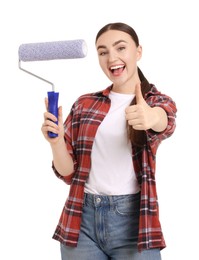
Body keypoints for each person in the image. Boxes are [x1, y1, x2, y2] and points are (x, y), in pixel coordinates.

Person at [41, 22, 177, 260]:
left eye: (120, 48)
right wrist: (56, 142)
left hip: (133, 224)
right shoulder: (85, 104)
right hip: (80, 221)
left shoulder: (155, 100)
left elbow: (165, 121)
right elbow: (68, 172)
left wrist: (151, 117)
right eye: (103, 52)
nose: (111, 57)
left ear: (138, 52)